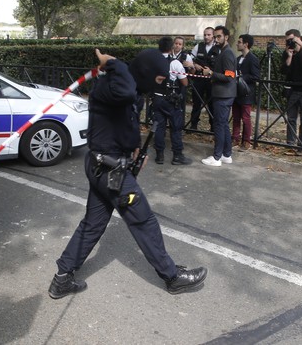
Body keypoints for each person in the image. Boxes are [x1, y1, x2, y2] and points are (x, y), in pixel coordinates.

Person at [47, 48, 207, 299]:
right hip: (111, 174)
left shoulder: (124, 91)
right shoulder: (113, 85)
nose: (160, 85)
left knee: (93, 224)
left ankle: (62, 278)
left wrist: (132, 148)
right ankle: (172, 277)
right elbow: (123, 90)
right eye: (158, 79)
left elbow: (122, 120)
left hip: (105, 167)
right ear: (143, 73)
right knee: (144, 222)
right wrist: (114, 62)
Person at [201, 25, 236, 167]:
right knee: (223, 125)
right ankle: (226, 154)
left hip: (223, 95)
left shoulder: (227, 53)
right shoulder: (224, 51)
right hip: (224, 94)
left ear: (226, 37)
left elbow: (229, 76)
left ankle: (216, 157)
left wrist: (210, 73)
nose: (216, 39)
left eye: (218, 36)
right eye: (215, 37)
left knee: (219, 125)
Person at [153, 36, 192, 165]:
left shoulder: (154, 62)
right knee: (176, 127)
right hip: (171, 99)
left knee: (159, 127)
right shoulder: (175, 63)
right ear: (171, 48)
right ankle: (177, 156)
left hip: (157, 97)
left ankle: (159, 156)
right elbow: (184, 82)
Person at [184, 27, 219, 130]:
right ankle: (193, 125)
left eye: (208, 35)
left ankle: (213, 127)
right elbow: (190, 59)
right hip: (198, 79)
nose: (206, 37)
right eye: (205, 35)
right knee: (196, 103)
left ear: (213, 35)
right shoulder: (198, 46)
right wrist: (195, 65)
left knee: (212, 104)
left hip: (212, 80)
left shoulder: (218, 48)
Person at [232, 34, 260, 152]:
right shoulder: (238, 59)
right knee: (236, 117)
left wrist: (241, 77)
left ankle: (246, 140)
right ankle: (235, 138)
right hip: (237, 92)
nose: (237, 44)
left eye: (239, 42)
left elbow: (255, 76)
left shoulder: (253, 59)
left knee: (246, 117)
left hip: (246, 93)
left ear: (246, 44)